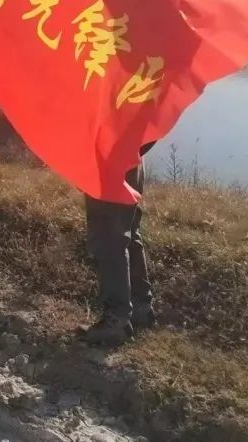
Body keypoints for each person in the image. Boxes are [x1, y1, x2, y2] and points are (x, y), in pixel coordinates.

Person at [84, 143, 157, 346]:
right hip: (132, 158)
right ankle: (141, 308)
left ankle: (117, 320)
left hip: (111, 162)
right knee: (128, 232)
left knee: (109, 237)